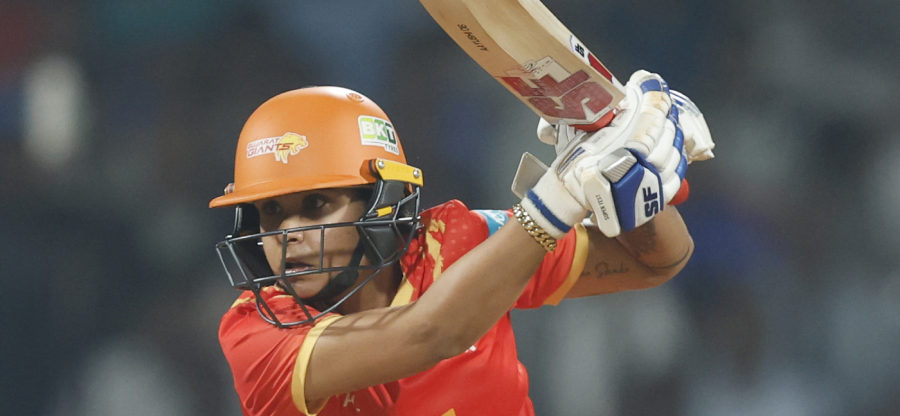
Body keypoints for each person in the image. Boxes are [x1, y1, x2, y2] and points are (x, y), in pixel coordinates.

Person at [210, 72, 714, 415]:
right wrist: (561, 195)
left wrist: (626, 169)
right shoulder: (255, 334)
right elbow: (431, 334)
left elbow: (658, 262)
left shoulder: (461, 241)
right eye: (270, 211)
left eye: (316, 204)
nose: (288, 234)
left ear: (382, 201)